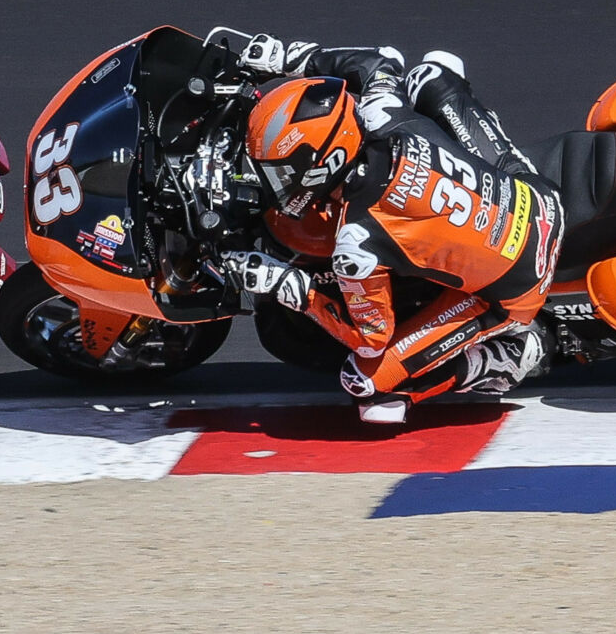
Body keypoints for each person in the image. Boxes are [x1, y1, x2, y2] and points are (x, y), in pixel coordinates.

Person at [221, 36, 562, 423]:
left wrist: (292, 288)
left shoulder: (357, 239)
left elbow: (370, 339)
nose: (272, 182)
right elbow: (377, 65)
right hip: (538, 199)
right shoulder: (384, 115)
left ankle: (506, 356)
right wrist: (291, 57)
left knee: (363, 381)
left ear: (326, 163)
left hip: (517, 286)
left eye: (282, 172)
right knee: (430, 74)